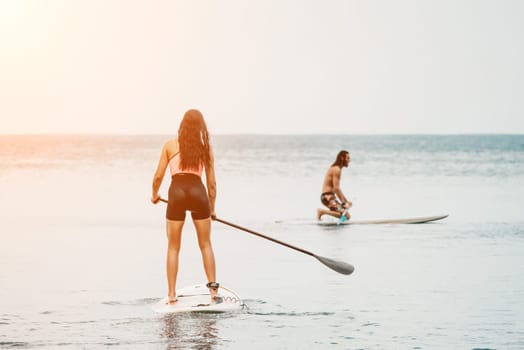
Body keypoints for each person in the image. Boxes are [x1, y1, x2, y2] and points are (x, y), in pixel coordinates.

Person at [151, 109, 218, 306]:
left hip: (176, 194)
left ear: (182, 125)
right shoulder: (205, 149)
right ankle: (213, 292)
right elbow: (212, 184)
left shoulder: (170, 146)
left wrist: (155, 195)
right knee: (205, 244)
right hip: (198, 194)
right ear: (200, 127)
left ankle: (172, 294)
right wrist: (212, 208)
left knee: (173, 247)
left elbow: (158, 177)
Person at [317, 150, 352, 221]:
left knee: (345, 215)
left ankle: (324, 217)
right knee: (347, 216)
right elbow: (337, 189)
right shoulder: (337, 170)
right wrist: (344, 203)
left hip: (328, 197)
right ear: (342, 158)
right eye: (348, 158)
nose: (349, 160)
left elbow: (337, 189)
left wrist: (346, 201)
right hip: (328, 198)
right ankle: (321, 212)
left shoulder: (335, 168)